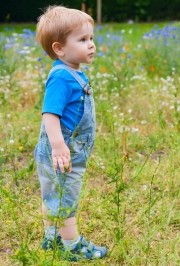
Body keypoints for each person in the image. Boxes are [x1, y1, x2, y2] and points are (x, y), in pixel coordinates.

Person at [34, 6, 107, 261]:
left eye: (91, 39)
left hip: (64, 150)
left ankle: (51, 237)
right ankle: (71, 245)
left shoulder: (72, 71)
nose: (91, 45)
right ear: (59, 48)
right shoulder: (62, 78)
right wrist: (58, 145)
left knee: (53, 195)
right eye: (83, 40)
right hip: (62, 153)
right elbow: (50, 114)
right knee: (65, 199)